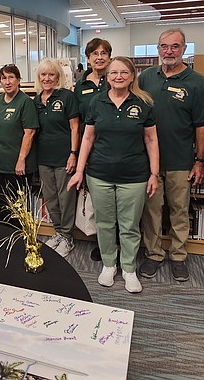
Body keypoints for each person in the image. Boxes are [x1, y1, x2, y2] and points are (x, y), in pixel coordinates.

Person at [68, 56, 159, 294]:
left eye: (124, 72)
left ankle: (128, 268)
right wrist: (79, 170)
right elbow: (88, 138)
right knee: (105, 223)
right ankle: (109, 264)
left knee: (129, 225)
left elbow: (151, 139)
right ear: (107, 77)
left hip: (135, 176)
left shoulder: (143, 103)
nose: (118, 77)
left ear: (132, 76)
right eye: (113, 73)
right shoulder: (96, 102)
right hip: (99, 175)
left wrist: (154, 173)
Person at [137, 29, 204, 282]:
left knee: (179, 210)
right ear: (158, 49)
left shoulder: (196, 81)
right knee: (152, 210)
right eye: (164, 46)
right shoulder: (146, 77)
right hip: (150, 161)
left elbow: (203, 125)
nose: (169, 51)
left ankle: (178, 256)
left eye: (175, 46)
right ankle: (154, 254)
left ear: (184, 49)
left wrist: (199, 160)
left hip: (181, 159)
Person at [35, 58, 80, 258]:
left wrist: (73, 154)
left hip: (64, 156)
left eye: (51, 74)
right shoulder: (36, 101)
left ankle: (67, 236)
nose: (47, 78)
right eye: (43, 75)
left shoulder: (67, 96)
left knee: (66, 198)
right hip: (44, 157)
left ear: (58, 77)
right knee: (51, 197)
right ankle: (58, 231)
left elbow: (75, 127)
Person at [74, 38, 113, 261]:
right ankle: (102, 241)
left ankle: (117, 242)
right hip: (90, 149)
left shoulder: (117, 78)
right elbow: (77, 121)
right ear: (88, 59)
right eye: (94, 54)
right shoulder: (80, 86)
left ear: (109, 57)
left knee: (116, 199)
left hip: (115, 148)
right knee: (99, 199)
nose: (99, 57)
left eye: (103, 53)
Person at [0, 64, 39, 222]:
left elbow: (29, 133)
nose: (7, 82)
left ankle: (18, 236)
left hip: (17, 165)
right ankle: (2, 234)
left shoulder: (25, 102)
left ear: (18, 80)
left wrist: (21, 160)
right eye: (4, 78)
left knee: (17, 208)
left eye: (11, 77)